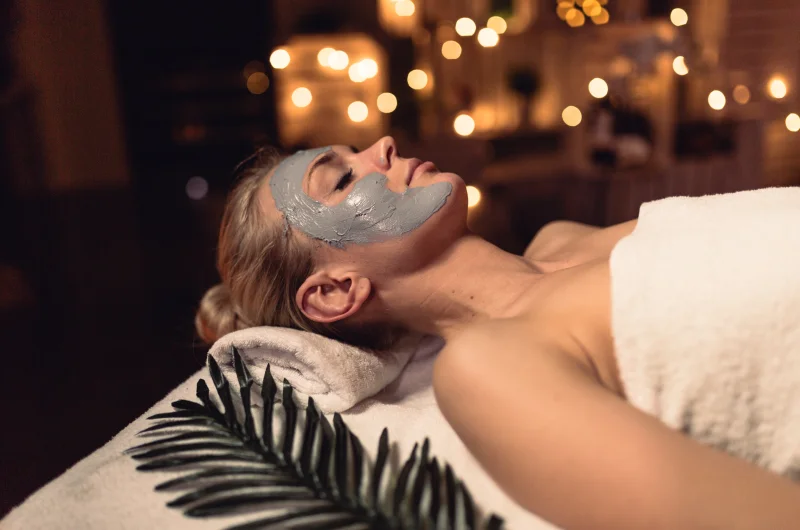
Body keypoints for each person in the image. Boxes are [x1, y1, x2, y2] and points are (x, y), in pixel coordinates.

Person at [196, 137, 800, 530]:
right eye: (341, 180)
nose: (382, 145)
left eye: (355, 152)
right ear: (334, 292)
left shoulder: (563, 237)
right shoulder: (490, 366)